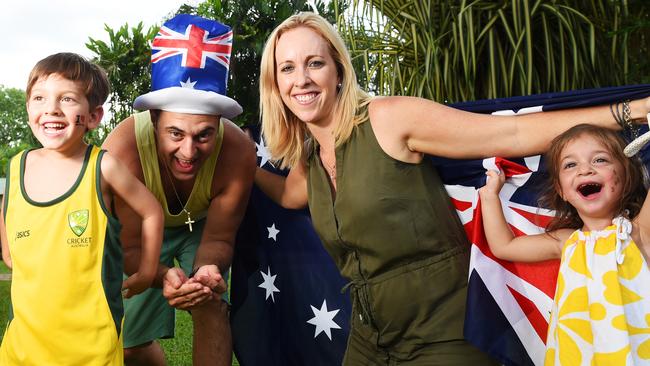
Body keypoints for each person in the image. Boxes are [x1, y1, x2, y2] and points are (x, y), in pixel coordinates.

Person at [253, 11, 650, 364]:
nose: (301, 79)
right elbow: (290, 196)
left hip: (444, 331)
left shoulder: (388, 118)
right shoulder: (310, 161)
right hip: (370, 338)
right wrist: (238, 162)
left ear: (338, 70)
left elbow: (510, 133)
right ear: (275, 84)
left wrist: (634, 111)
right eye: (287, 69)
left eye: (315, 63)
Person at [101, 14, 256, 366]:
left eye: (204, 134)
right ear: (154, 120)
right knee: (130, 343)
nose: (189, 153)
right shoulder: (122, 154)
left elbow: (220, 238)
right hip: (139, 237)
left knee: (210, 304)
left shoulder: (239, 153)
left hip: (201, 225)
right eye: (175, 134)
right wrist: (161, 276)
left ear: (220, 124)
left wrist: (206, 273)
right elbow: (130, 249)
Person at [0, 53, 163, 365]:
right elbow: (9, 218)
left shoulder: (103, 166)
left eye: (67, 99)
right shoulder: (18, 165)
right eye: (39, 98)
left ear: (93, 116)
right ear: (29, 108)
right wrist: (11, 253)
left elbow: (151, 210)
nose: (51, 109)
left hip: (91, 343)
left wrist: (147, 271)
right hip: (24, 342)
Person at [479, 124, 650, 364]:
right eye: (571, 165)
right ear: (562, 190)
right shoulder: (566, 241)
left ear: (626, 176)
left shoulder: (639, 232)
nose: (585, 170)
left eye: (600, 160)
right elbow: (503, 246)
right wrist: (489, 196)